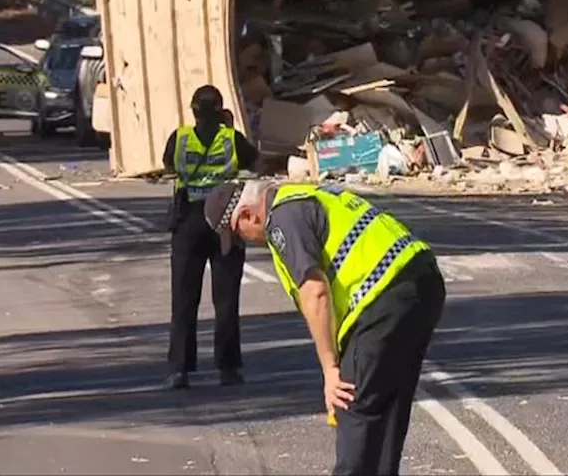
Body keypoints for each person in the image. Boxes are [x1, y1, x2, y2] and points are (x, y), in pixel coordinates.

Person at [225, 180, 445, 476]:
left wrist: (330, 370)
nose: (246, 243)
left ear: (249, 215)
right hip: (421, 281)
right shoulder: (304, 195)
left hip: (382, 298)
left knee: (351, 402)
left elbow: (315, 291)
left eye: (239, 237)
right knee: (387, 407)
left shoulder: (281, 220)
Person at [160, 85, 260, 389]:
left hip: (188, 222)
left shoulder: (180, 138)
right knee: (227, 299)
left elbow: (168, 165)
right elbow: (255, 164)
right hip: (225, 223)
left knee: (184, 299)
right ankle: (228, 368)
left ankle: (179, 370)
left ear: (192, 110)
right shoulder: (232, 139)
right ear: (221, 111)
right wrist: (229, 128)